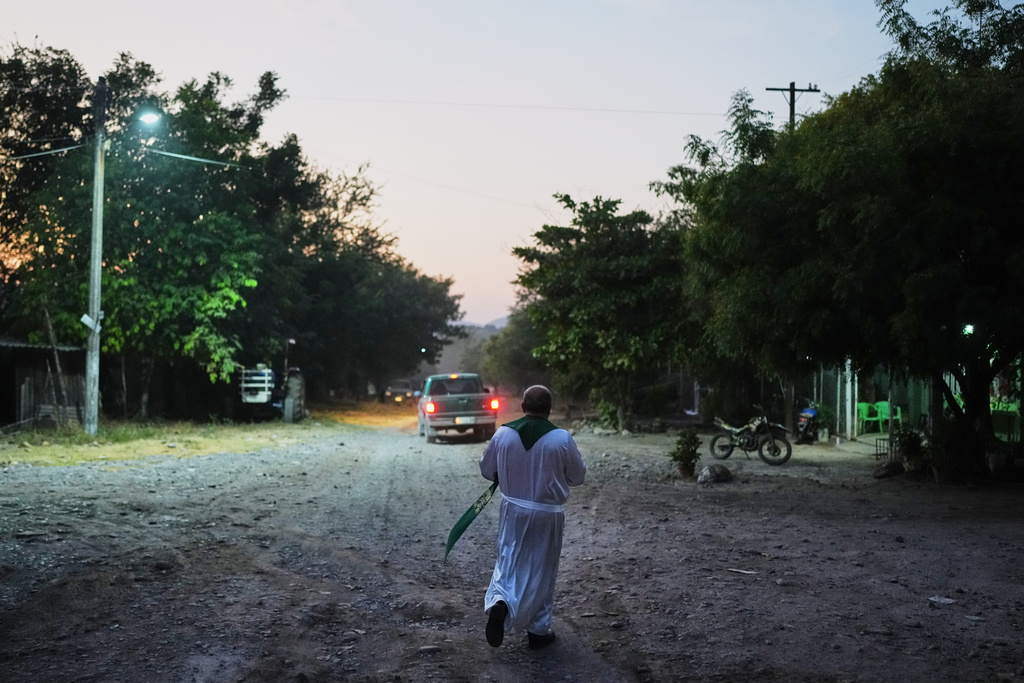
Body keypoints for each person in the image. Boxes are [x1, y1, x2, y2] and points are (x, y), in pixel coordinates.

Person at [479, 385, 587, 650]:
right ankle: (538, 631)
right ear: (550, 410)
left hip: (512, 510)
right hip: (547, 515)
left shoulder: (503, 433)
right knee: (543, 571)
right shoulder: (561, 438)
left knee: (508, 560)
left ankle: (500, 602)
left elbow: (486, 470)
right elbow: (578, 477)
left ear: (523, 407)